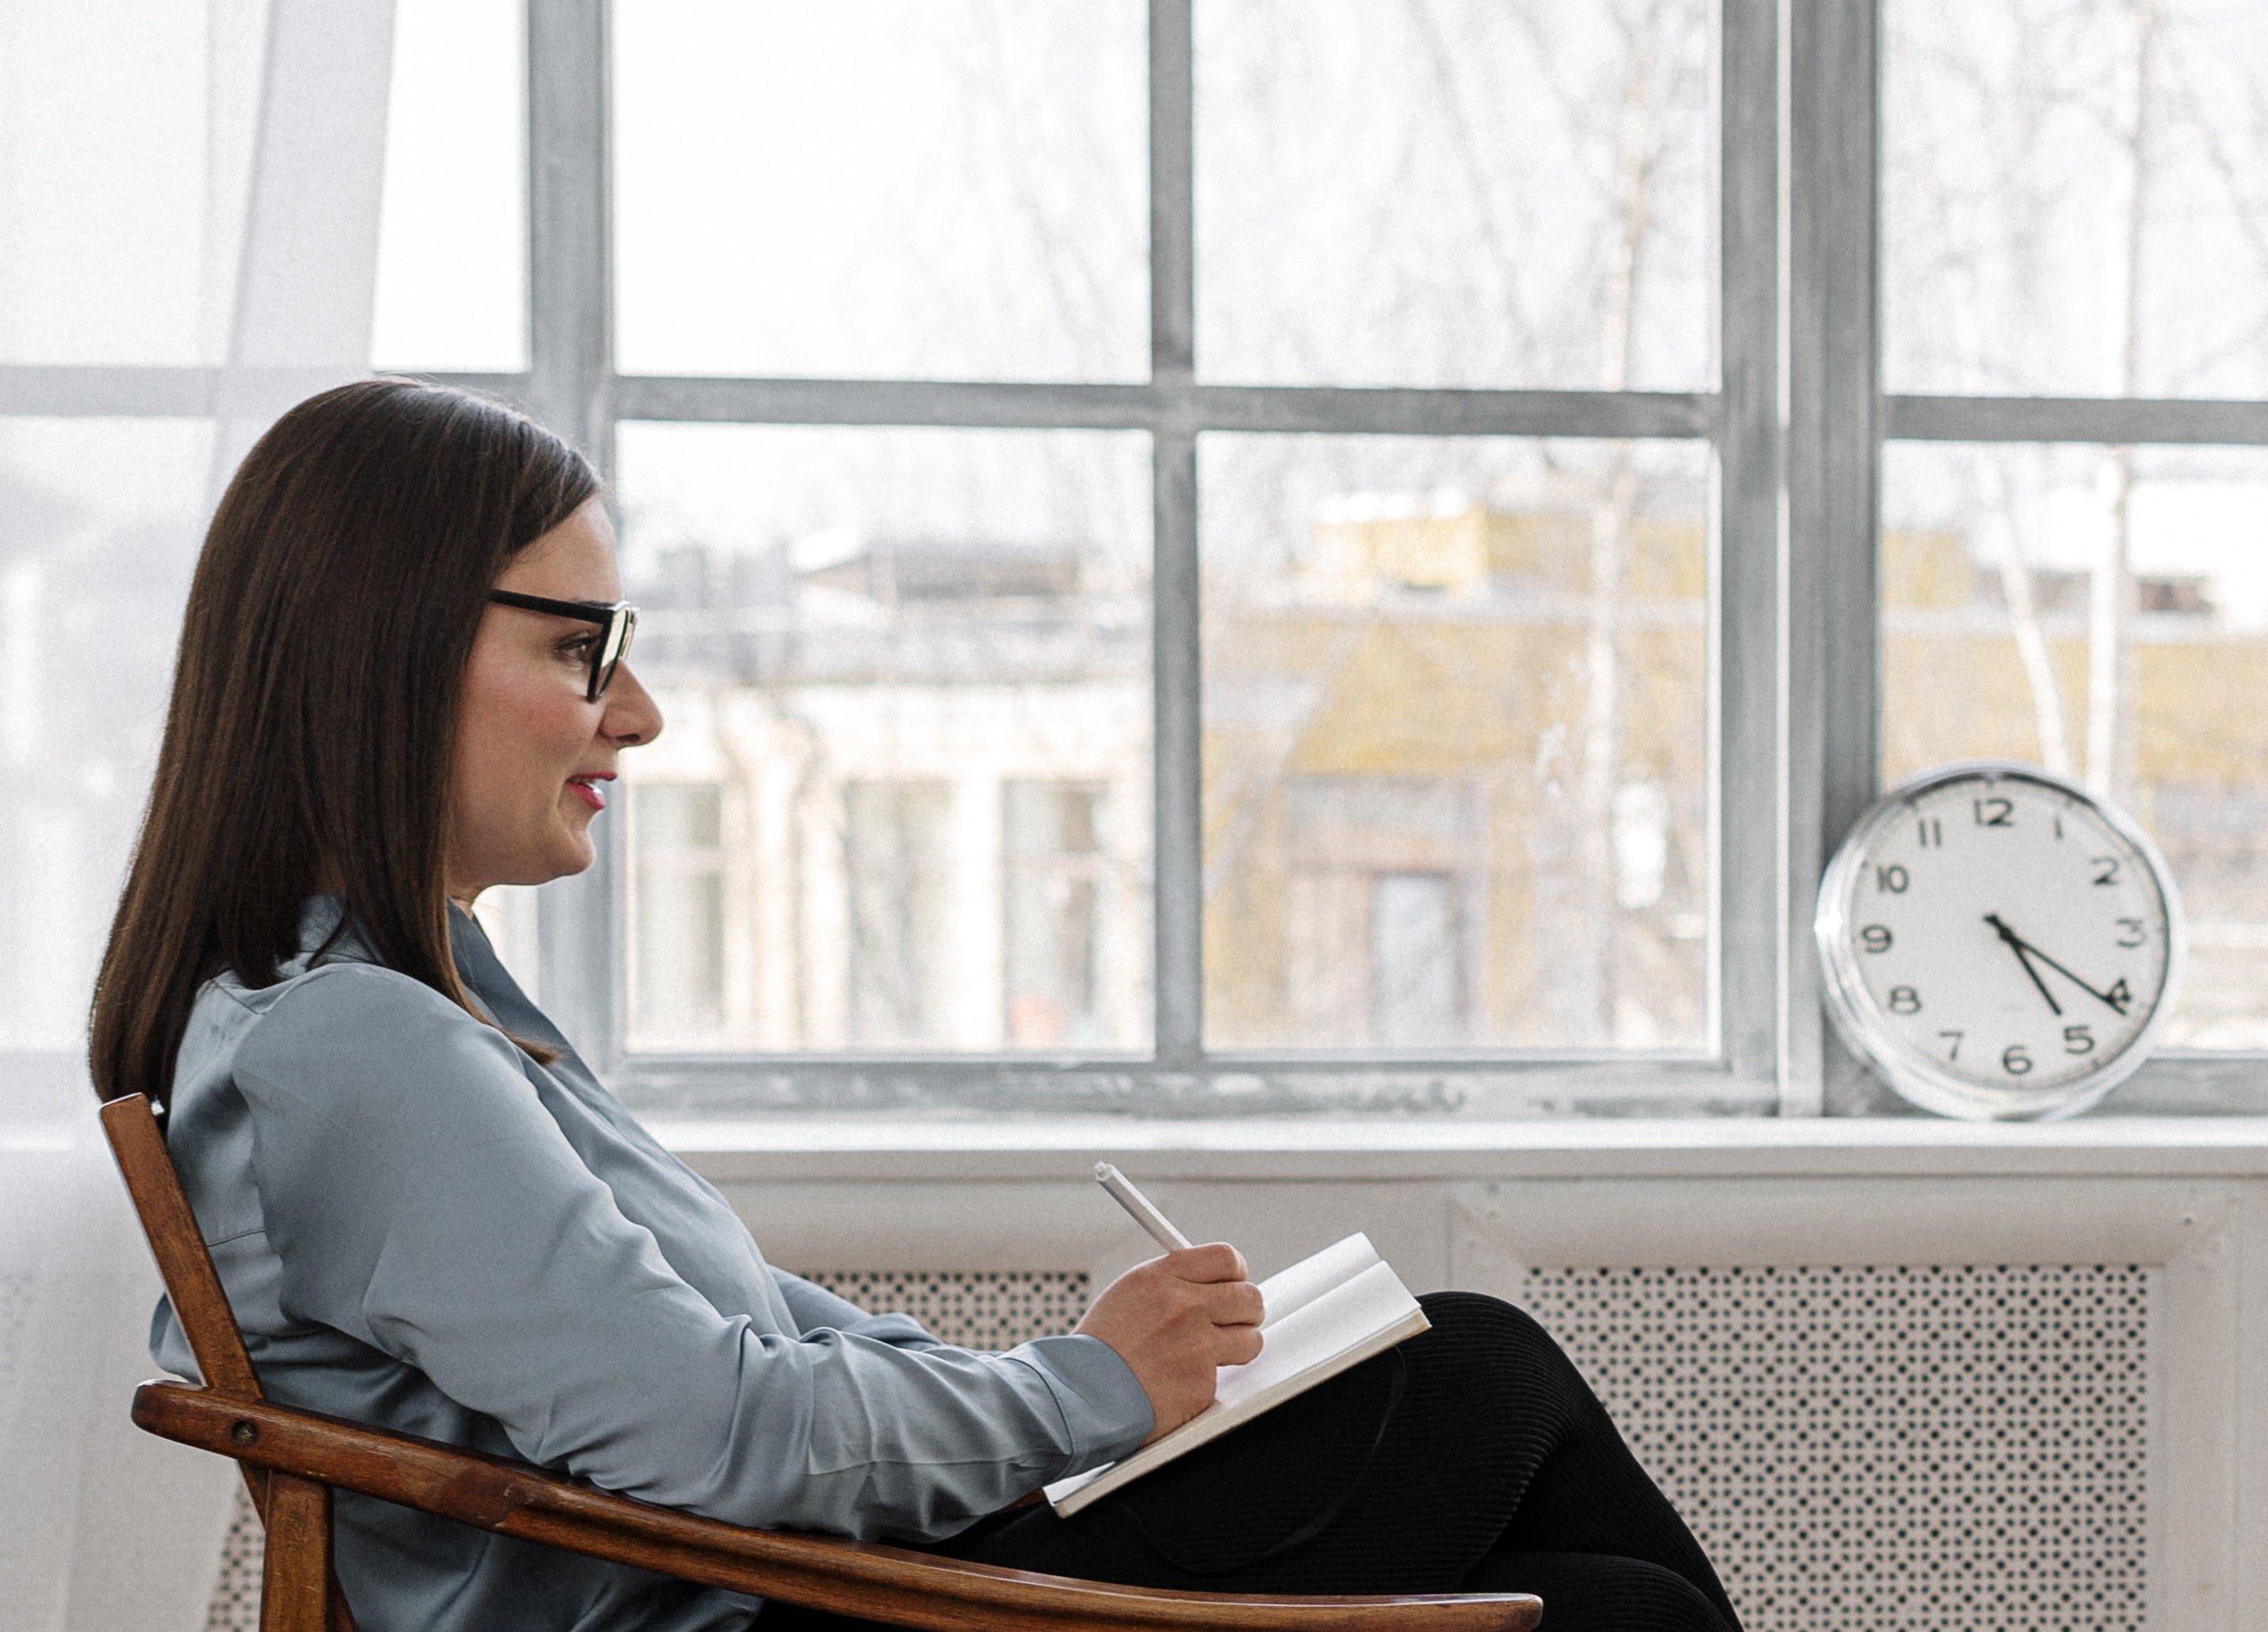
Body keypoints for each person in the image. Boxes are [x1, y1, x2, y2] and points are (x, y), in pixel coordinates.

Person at [88, 380, 1740, 1632]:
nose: (640, 714)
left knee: (1602, 1588)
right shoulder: (357, 1046)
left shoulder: (400, 1013)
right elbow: (713, 1428)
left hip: (795, 1584)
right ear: (381, 653)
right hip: (766, 1611)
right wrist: (1090, 1393)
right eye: (584, 652)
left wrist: (1087, 1386)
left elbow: (751, 1339)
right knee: (1472, 1374)